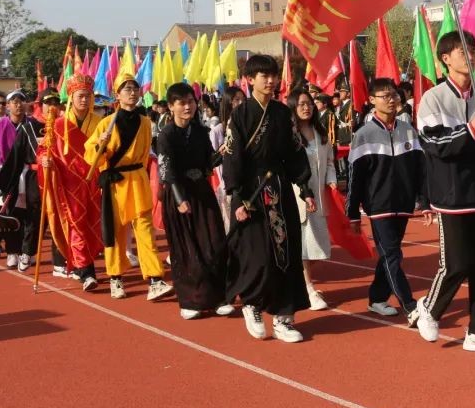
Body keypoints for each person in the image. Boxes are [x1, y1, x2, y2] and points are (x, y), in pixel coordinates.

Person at [413, 31, 475, 354]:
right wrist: (470, 130)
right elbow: (434, 143)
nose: (470, 55)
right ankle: (429, 309)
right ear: (445, 59)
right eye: (462, 51)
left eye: (472, 49)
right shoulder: (433, 98)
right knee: (456, 263)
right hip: (452, 194)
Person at [222, 54, 314, 343]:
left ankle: (284, 318)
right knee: (257, 253)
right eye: (264, 76)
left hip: (279, 188)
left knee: (285, 253)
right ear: (250, 80)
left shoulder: (283, 113)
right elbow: (232, 157)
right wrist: (238, 197)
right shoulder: (239, 115)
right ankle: (252, 303)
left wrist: (305, 188)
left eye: (273, 75)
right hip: (249, 192)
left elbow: (295, 151)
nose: (271, 81)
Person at [85, 70, 173, 302]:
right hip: (115, 183)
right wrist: (101, 146)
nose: (132, 93)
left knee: (144, 230)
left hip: (137, 179)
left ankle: (154, 278)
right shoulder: (106, 123)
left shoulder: (145, 123)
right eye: (127, 89)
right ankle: (115, 277)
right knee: (115, 232)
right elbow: (91, 156)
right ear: (117, 94)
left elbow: (146, 153)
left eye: (135, 88)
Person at [346, 77, 426, 319]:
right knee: (392, 255)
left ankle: (377, 298)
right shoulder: (364, 134)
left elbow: (420, 170)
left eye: (394, 95)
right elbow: (355, 177)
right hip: (378, 205)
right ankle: (410, 305)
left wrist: (425, 201)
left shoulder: (408, 130)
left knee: (389, 254)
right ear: (372, 100)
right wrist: (352, 213)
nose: (392, 100)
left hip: (403, 203)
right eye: (385, 96)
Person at [156, 82, 228, 320]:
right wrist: (179, 199)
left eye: (191, 102)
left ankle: (219, 297)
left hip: (201, 191)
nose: (187, 107)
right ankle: (191, 301)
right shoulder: (166, 135)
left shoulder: (200, 131)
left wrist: (223, 152)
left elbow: (208, 162)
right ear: (171, 106)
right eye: (182, 103)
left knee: (214, 242)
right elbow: (166, 170)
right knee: (187, 248)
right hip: (178, 194)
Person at [38, 74, 104, 291]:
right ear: (71, 98)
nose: (84, 100)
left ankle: (84, 266)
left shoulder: (100, 123)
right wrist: (44, 160)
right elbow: (44, 151)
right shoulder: (58, 125)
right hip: (69, 185)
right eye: (80, 96)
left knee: (94, 225)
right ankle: (87, 272)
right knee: (76, 226)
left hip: (94, 182)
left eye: (88, 96)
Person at [0, 90, 43, 270]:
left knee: (31, 214)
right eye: (14, 102)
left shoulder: (34, 125)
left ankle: (26, 251)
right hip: (8, 173)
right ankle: (12, 251)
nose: (18, 105)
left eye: (22, 101)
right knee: (9, 214)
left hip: (30, 174)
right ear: (8, 106)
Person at [289, 87, 338, 311]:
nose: (306, 107)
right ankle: (308, 289)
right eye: (301, 104)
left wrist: (331, 180)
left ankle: (300, 282)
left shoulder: (321, 133)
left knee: (318, 247)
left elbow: (329, 162)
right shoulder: (290, 136)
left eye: (309, 103)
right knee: (304, 246)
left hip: (318, 197)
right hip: (297, 197)